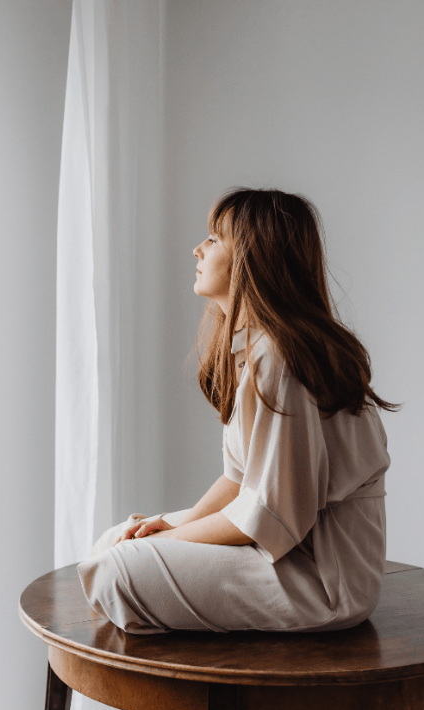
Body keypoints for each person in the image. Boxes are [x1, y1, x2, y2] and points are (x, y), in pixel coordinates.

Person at [77, 187, 401, 634]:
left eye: (213, 238)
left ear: (252, 256)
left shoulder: (279, 357)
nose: (197, 249)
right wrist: (173, 524)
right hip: (286, 554)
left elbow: (268, 514)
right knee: (114, 541)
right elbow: (238, 481)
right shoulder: (256, 349)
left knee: (117, 568)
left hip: (323, 582)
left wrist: (170, 538)